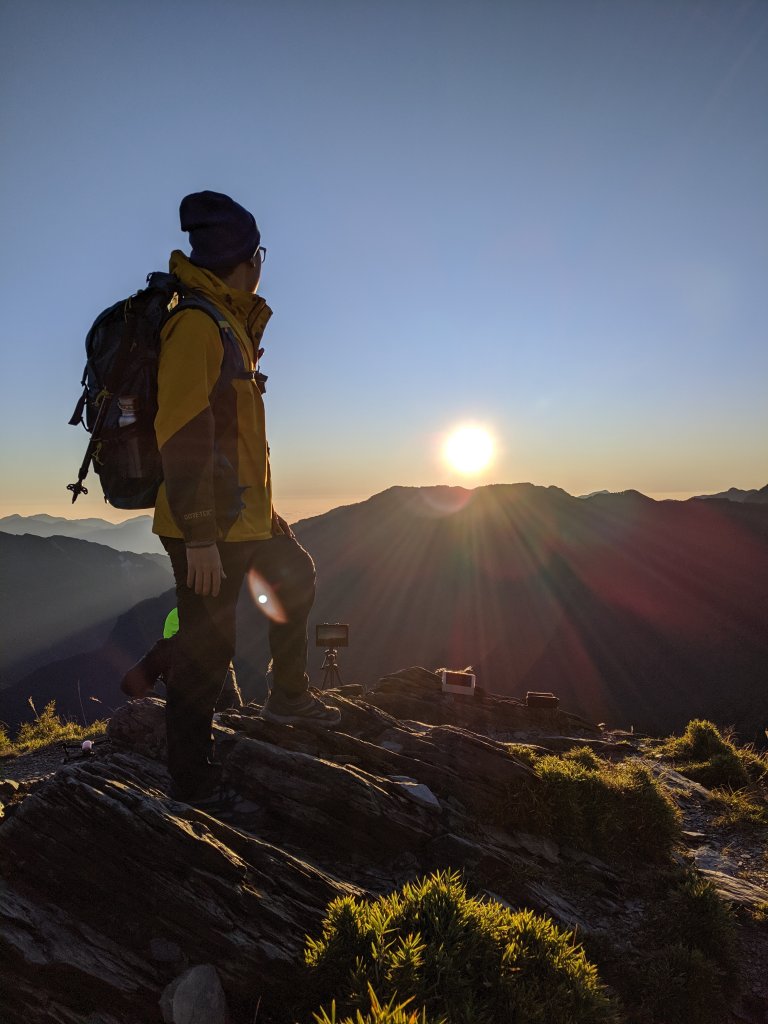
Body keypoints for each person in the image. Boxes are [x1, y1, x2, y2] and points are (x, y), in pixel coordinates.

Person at [153, 190, 340, 802]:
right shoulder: (197, 326)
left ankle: (287, 698)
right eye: (259, 251)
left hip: (242, 517)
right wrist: (201, 533)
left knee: (294, 573)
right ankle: (192, 779)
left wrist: (264, 513)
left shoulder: (230, 324)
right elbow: (180, 433)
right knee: (207, 650)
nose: (262, 263)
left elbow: (234, 436)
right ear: (246, 257)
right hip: (203, 525)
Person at [120, 607, 243, 711]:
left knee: (141, 698)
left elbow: (128, 685)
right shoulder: (219, 649)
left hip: (188, 719)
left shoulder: (167, 649)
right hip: (231, 713)